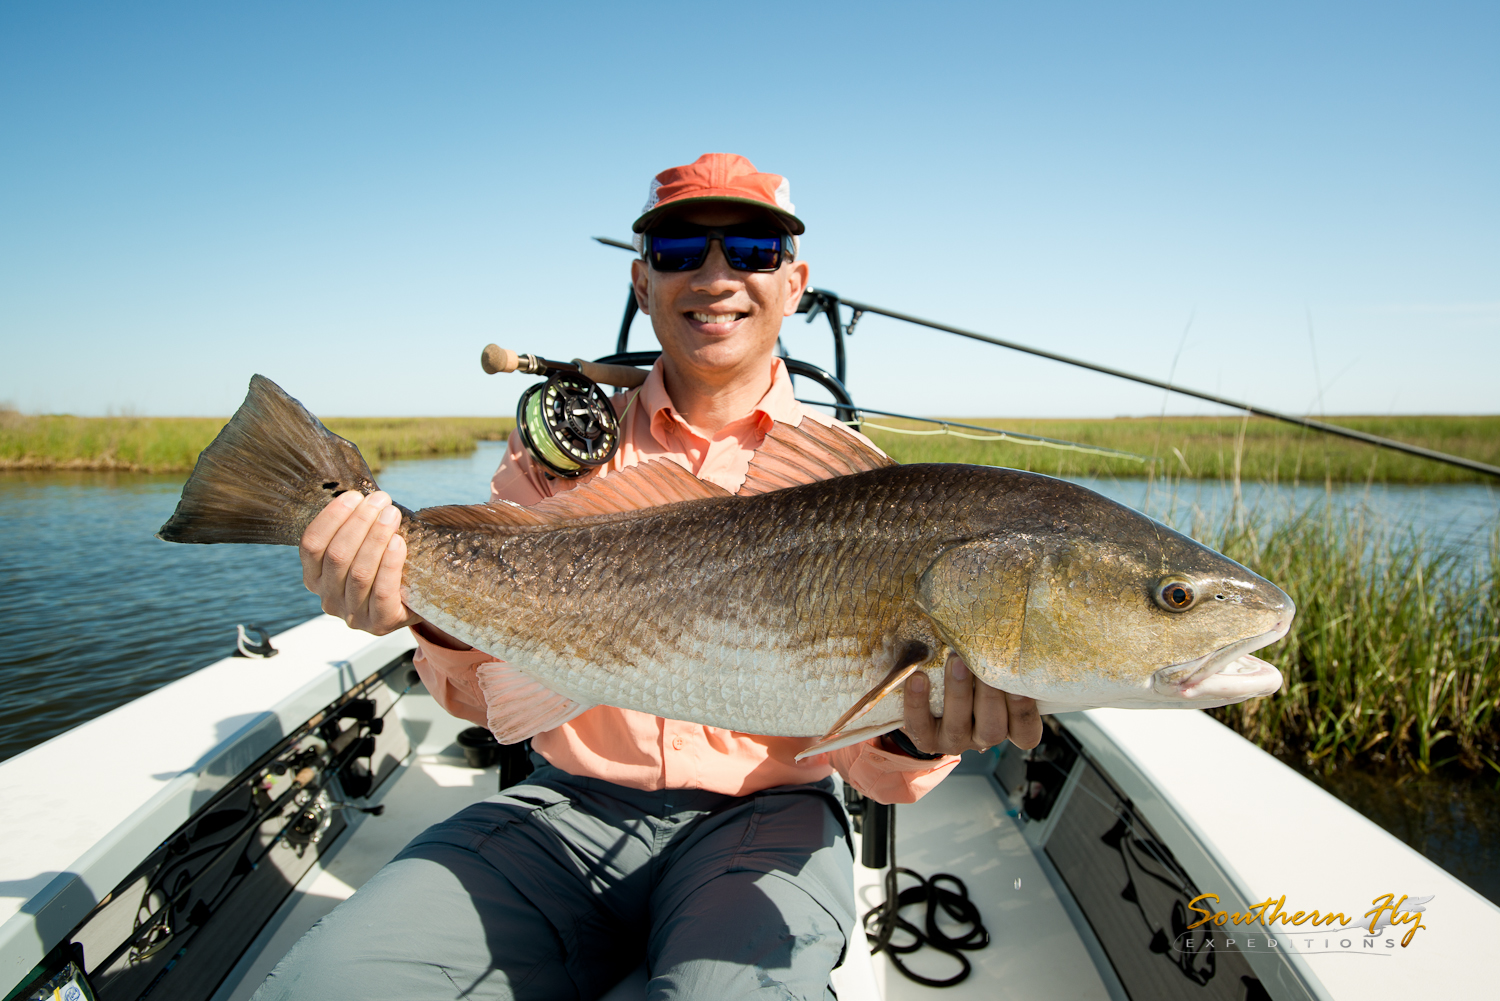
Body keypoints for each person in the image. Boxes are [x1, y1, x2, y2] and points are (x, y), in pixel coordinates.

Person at [256, 153, 1042, 1001]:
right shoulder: (558, 457)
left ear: (794, 281)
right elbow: (489, 701)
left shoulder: (862, 485)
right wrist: (420, 604)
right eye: (678, 248)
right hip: (564, 808)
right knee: (328, 982)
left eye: (751, 247)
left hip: (768, 819)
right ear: (642, 281)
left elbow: (875, 772)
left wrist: (920, 733)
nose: (716, 275)